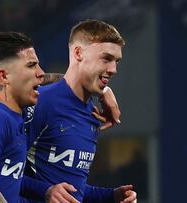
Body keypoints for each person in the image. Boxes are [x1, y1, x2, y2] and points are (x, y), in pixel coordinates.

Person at [0, 31, 79, 203]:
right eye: (31, 65)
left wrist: (45, 191)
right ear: (4, 76)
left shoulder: (17, 111)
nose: (40, 72)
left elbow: (8, 176)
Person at [24, 19, 137, 203]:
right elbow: (0, 173)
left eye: (117, 61)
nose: (114, 69)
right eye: (106, 58)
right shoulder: (41, 103)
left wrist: (111, 196)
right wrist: (45, 191)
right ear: (78, 53)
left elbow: (72, 190)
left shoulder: (92, 115)